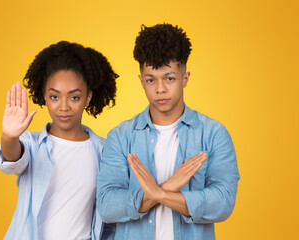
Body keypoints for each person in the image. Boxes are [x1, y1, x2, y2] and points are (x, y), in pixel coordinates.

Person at [97, 23, 240, 240]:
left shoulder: (213, 134)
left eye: (169, 78)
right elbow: (107, 206)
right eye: (150, 79)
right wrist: (169, 187)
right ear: (141, 81)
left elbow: (223, 202)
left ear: (185, 78)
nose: (160, 89)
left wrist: (158, 193)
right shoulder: (120, 136)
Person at [0, 41, 118, 240]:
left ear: (88, 98)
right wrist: (9, 136)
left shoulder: (105, 152)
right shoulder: (31, 144)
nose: (63, 107)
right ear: (44, 96)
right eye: (54, 97)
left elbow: (110, 218)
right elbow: (12, 159)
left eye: (74, 97)